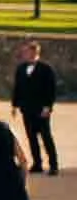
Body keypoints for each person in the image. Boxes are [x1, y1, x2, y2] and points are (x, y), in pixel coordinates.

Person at [12, 41, 60, 176]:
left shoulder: (46, 69)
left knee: (46, 136)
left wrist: (48, 107)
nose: (24, 54)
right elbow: (18, 87)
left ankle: (53, 164)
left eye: (26, 52)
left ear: (34, 52)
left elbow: (51, 89)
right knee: (31, 136)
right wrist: (15, 105)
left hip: (41, 108)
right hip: (27, 108)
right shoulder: (21, 69)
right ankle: (37, 163)